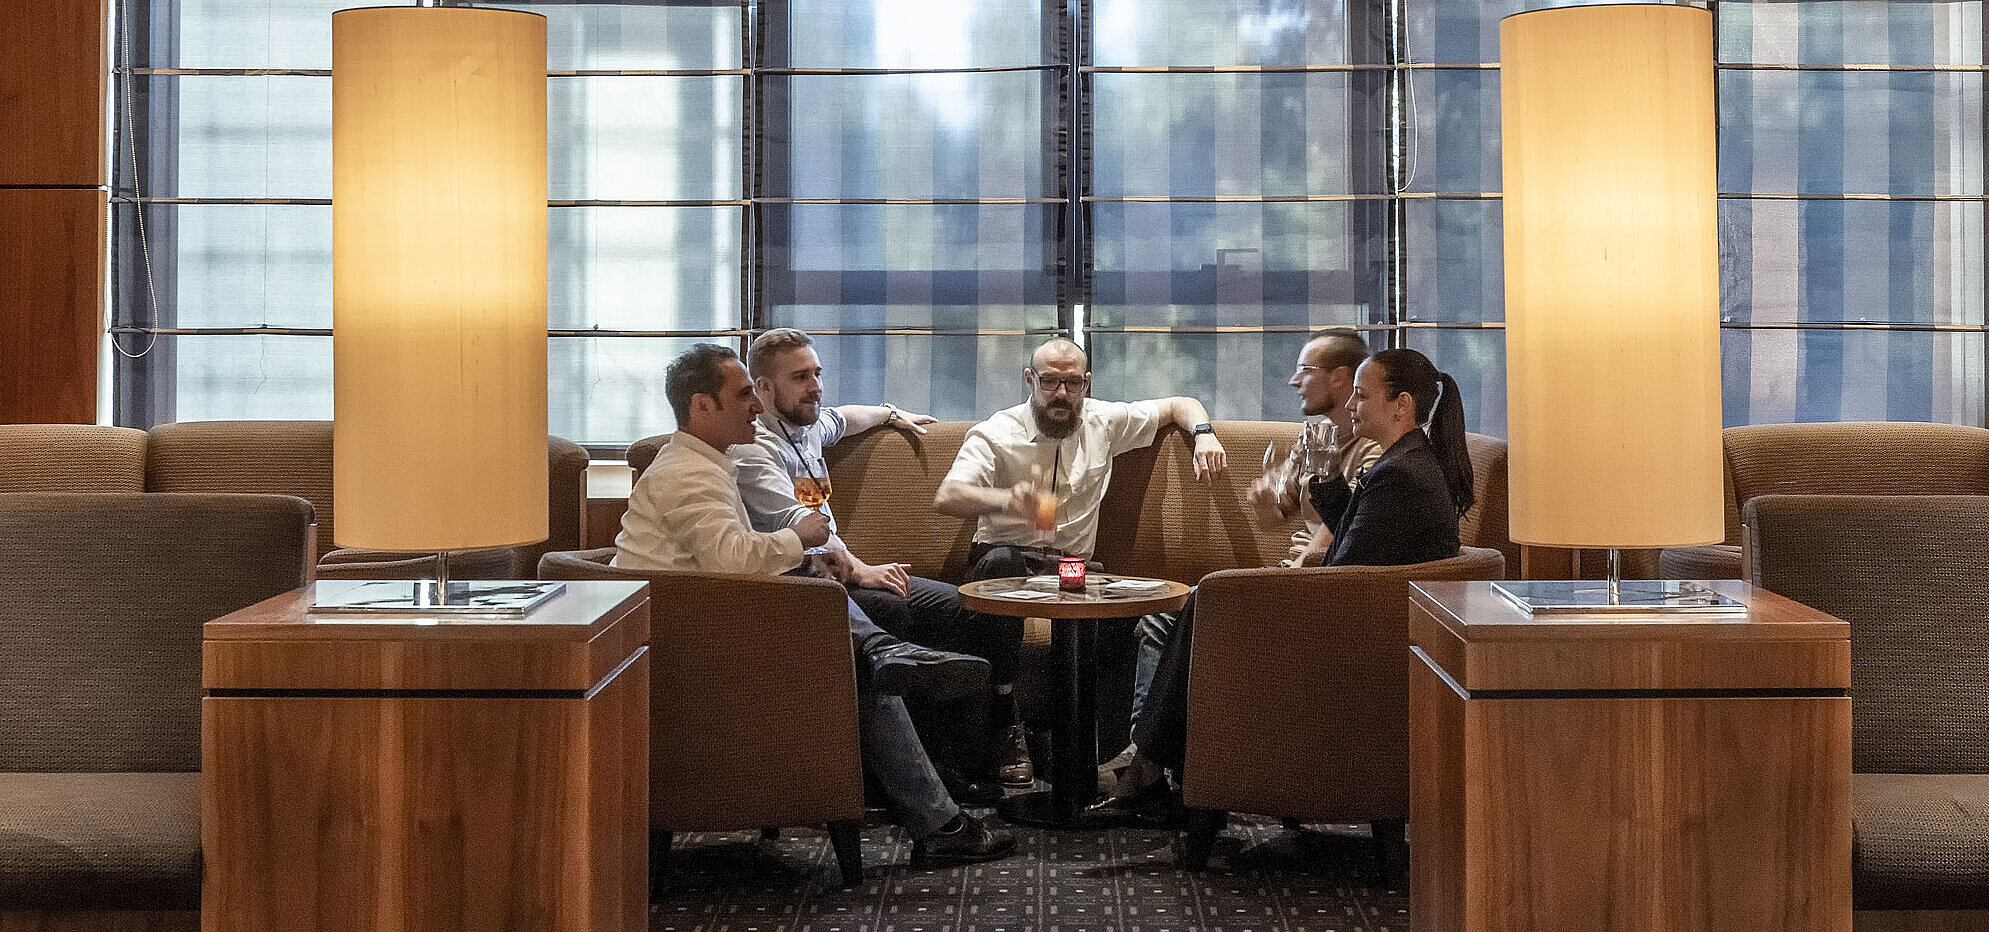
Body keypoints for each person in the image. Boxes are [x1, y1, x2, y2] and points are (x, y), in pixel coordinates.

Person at [615, 343, 1015, 867]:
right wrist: (802, 540)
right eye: (742, 395)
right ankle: (937, 817)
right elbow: (734, 559)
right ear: (700, 407)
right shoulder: (694, 473)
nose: (755, 406)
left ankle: (938, 802)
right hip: (695, 650)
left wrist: (891, 414)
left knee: (847, 632)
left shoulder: (705, 462)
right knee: (850, 659)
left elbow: (725, 560)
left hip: (707, 622)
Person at [1097, 347, 1475, 812]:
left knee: (1201, 600)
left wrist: (1274, 581)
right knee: (1196, 603)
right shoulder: (1408, 463)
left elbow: (1342, 574)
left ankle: (1150, 763)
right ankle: (1152, 763)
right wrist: (1328, 475)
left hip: (1343, 641)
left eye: (1361, 396)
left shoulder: (1400, 475)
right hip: (1364, 625)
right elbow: (1357, 546)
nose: (1352, 407)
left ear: (1402, 406)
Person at [733, 328, 1021, 803]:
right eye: (801, 377)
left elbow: (844, 418)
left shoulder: (805, 426)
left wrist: (891, 414)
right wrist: (862, 569)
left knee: (972, 604)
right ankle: (899, 779)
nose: (816, 385)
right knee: (891, 610)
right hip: (804, 582)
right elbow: (801, 528)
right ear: (764, 389)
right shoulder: (755, 448)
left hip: (839, 569)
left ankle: (964, 758)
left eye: (818, 373)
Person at [932, 337, 1230, 785]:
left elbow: (1179, 404)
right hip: (1006, 560)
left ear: (1086, 384)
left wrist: (1203, 434)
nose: (1061, 394)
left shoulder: (1104, 421)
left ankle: (1079, 737)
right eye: (1050, 381)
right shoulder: (996, 431)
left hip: (1070, 567)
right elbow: (948, 496)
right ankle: (1006, 720)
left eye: (1072, 383)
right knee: (998, 567)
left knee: (1124, 607)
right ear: (1030, 380)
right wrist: (1010, 501)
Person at [1113, 329, 1382, 769]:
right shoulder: (1315, 437)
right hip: (1299, 575)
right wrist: (1266, 502)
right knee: (1162, 618)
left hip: (1325, 588)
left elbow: (1348, 527)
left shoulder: (1372, 451)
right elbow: (1279, 514)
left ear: (1339, 378)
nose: (1294, 381)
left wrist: (1302, 558)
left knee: (1179, 612)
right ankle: (1150, 757)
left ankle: (1144, 758)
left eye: (1304, 370)